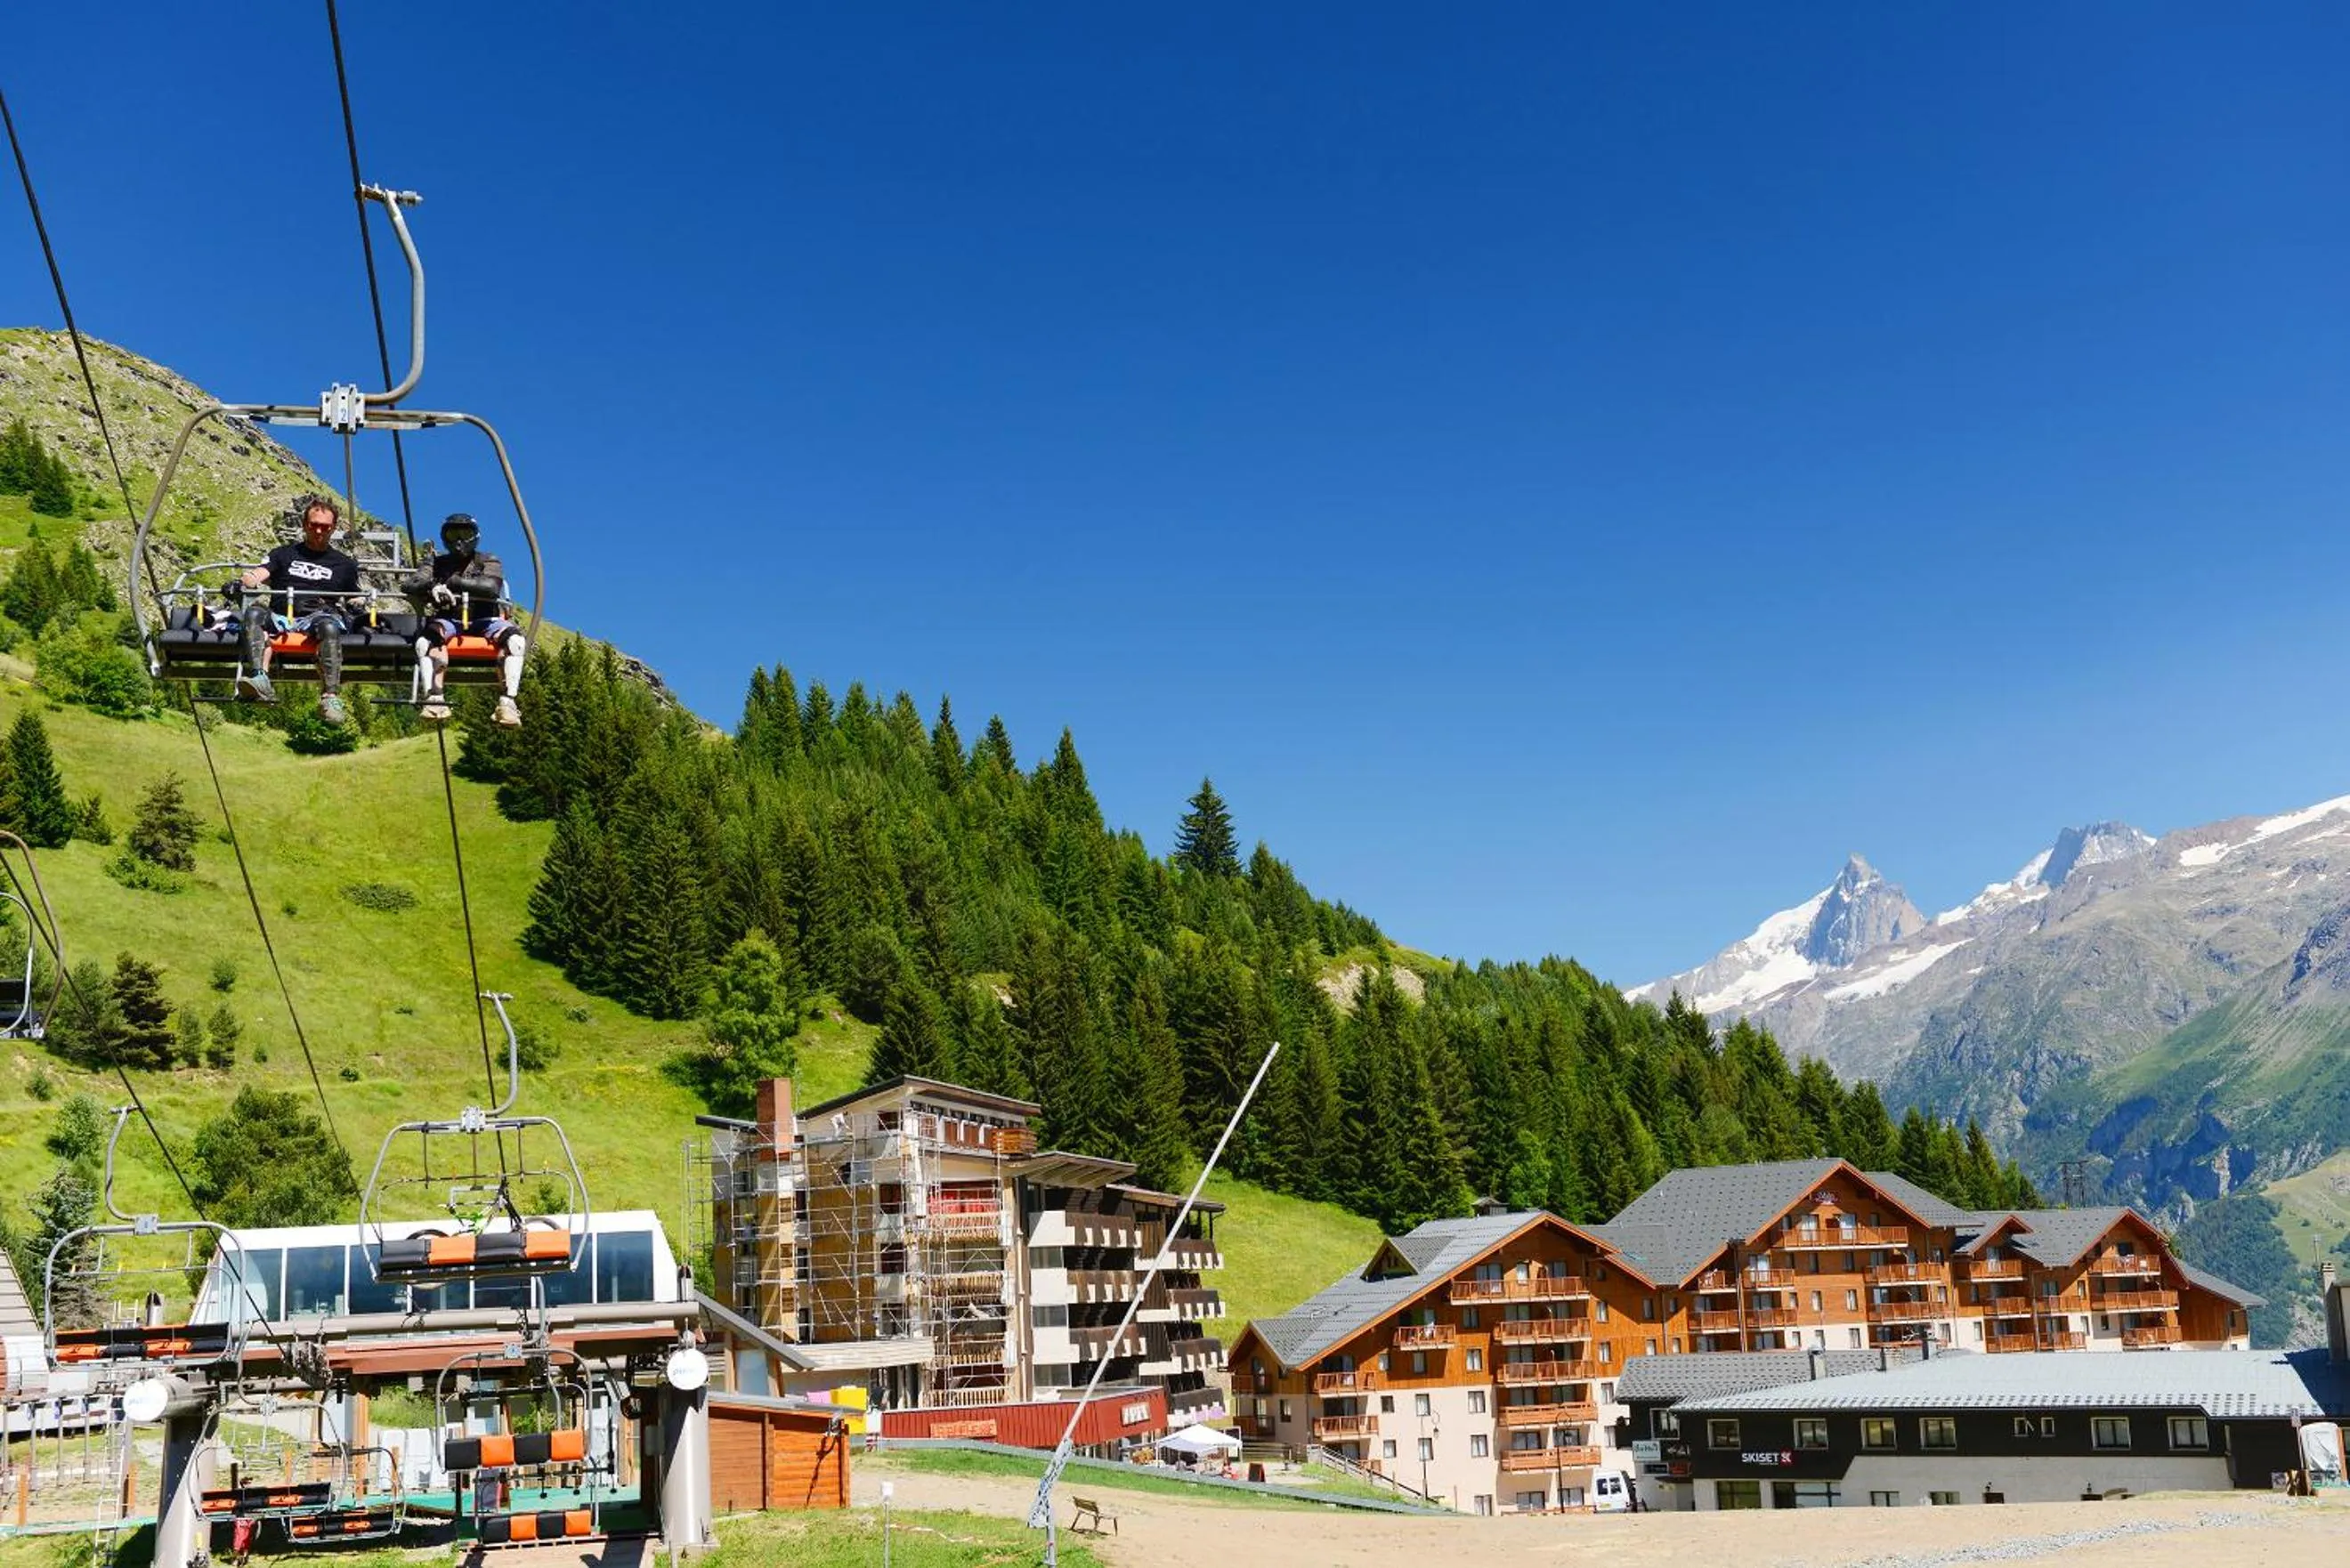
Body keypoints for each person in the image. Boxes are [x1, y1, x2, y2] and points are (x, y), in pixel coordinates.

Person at [238, 497, 360, 724]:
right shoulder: (283, 554)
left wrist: (360, 608)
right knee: (254, 614)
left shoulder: (344, 564)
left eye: (325, 527)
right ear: (305, 525)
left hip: (319, 615)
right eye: (314, 525)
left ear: (333, 528)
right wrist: (247, 580)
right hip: (281, 614)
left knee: (330, 627)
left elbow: (353, 596)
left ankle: (330, 696)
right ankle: (259, 679)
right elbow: (259, 574)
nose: (319, 531)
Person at [402, 512, 526, 728]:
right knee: (425, 642)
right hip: (449, 619)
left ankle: (508, 702)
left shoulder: (488, 560)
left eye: (464, 533)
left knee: (516, 642)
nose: (459, 540)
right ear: (445, 537)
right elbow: (410, 584)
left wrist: (452, 583)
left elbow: (491, 587)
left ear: (474, 536)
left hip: (485, 619)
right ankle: (434, 696)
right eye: (453, 534)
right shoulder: (435, 562)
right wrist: (431, 586)